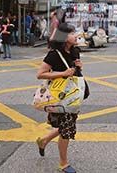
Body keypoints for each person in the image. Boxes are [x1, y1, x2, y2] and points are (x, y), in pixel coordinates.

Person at [36, 23, 82, 173]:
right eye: (71, 33)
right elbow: (40, 74)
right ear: (63, 38)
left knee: (66, 126)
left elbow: (74, 72)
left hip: (73, 95)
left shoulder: (75, 51)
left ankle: (44, 140)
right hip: (59, 96)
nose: (75, 35)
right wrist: (62, 73)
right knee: (66, 129)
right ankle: (63, 163)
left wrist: (79, 67)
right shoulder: (54, 54)